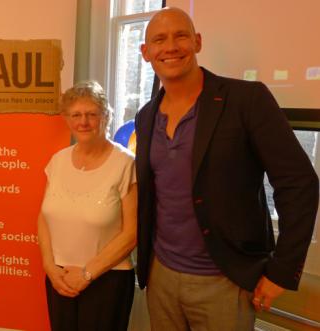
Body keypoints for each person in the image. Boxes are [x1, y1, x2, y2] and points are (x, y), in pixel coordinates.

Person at [135, 7, 319, 330]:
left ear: (198, 42)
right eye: (159, 39)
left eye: (181, 35)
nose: (171, 46)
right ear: (146, 52)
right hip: (161, 277)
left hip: (225, 281)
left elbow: (300, 184)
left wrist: (282, 269)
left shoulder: (246, 100)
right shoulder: (146, 116)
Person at [37, 81, 137, 331]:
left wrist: (87, 274)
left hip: (107, 279)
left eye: (92, 114)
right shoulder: (58, 161)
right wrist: (49, 266)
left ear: (106, 117)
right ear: (67, 119)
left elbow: (132, 233)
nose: (84, 122)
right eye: (76, 115)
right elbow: (43, 216)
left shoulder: (126, 163)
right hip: (58, 278)